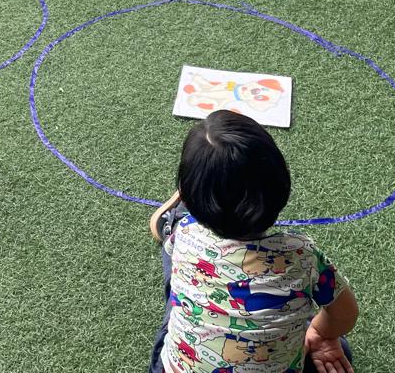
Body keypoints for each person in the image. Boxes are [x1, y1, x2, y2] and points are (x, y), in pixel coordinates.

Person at [148, 111, 358, 373]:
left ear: (190, 194)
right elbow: (345, 314)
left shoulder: (188, 232)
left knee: (176, 265)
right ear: (281, 185)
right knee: (336, 345)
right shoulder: (301, 254)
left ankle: (173, 218)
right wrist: (319, 332)